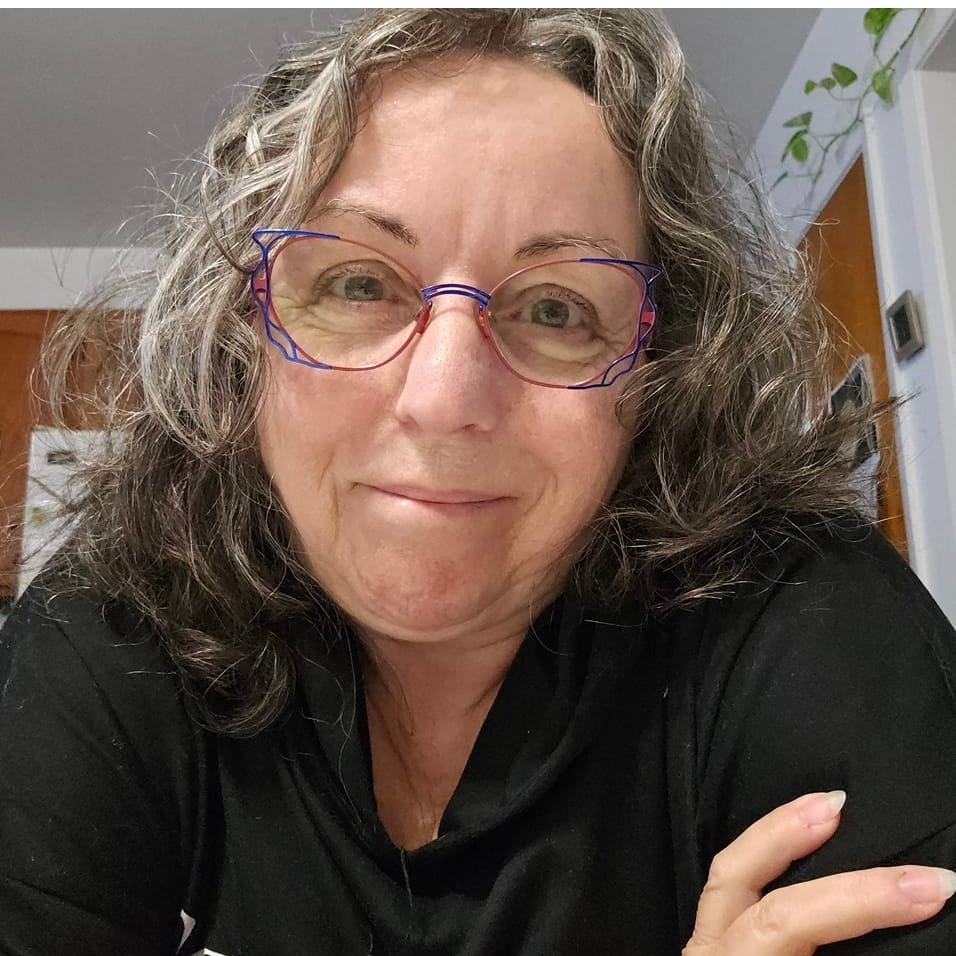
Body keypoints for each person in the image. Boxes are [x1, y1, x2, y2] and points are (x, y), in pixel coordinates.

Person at [2, 9, 955, 955]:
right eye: (359, 285)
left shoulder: (802, 610)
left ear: (658, 378)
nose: (444, 398)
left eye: (556, 308)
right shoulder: (111, 630)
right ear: (241, 338)